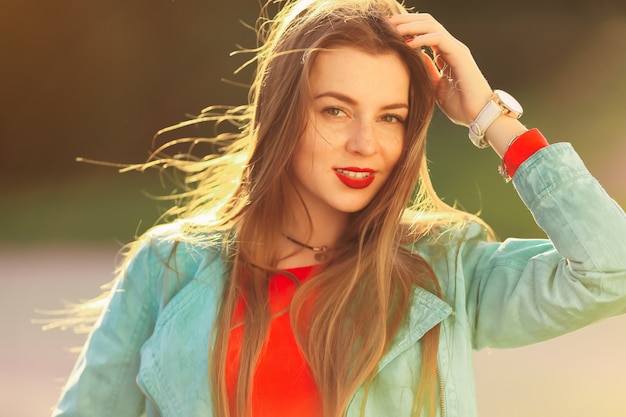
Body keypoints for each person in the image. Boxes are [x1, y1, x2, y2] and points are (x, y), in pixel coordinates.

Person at [50, 0, 626, 416]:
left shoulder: (444, 272)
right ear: (283, 113)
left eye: (389, 117)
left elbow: (613, 269)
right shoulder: (168, 267)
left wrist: (489, 118)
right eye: (334, 110)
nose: (364, 144)